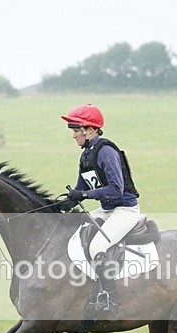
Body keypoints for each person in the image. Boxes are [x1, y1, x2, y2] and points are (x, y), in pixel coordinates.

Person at [61, 103, 142, 319]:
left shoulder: (106, 151)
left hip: (125, 209)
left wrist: (85, 196)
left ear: (90, 130)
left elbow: (116, 190)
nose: (74, 135)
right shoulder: (86, 154)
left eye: (76, 130)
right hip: (108, 210)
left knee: (97, 246)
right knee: (73, 229)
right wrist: (63, 204)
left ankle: (110, 299)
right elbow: (81, 188)